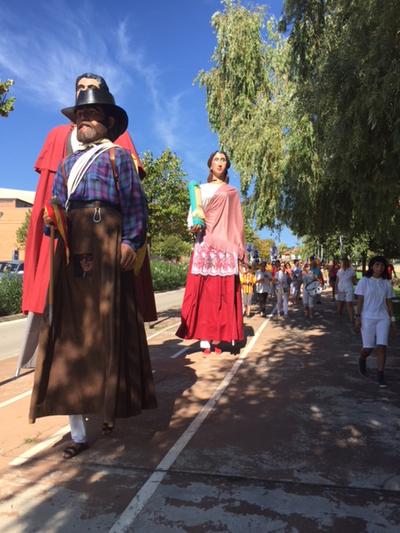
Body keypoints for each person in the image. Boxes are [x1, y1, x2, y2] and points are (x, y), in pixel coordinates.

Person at [29, 83, 157, 459]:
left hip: (107, 242)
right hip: (72, 249)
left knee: (107, 328)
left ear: (106, 121)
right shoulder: (68, 164)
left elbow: (136, 205)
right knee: (69, 333)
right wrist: (52, 221)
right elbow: (55, 205)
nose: (84, 120)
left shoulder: (118, 157)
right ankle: (78, 433)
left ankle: (108, 405)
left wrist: (131, 242)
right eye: (80, 115)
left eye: (91, 115)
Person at [176, 150, 245, 355]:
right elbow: (194, 214)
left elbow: (236, 223)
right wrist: (193, 226)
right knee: (204, 293)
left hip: (225, 247)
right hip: (204, 244)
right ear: (210, 165)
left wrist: (238, 250)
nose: (220, 162)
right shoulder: (200, 189)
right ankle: (205, 337)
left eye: (223, 160)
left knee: (221, 294)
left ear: (227, 166)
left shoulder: (232, 192)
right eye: (216, 159)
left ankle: (219, 335)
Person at [355, 256, 395, 388]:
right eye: (377, 265)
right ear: (372, 266)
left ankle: (380, 375)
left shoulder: (386, 283)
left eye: (382, 265)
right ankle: (362, 358)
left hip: (383, 317)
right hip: (367, 317)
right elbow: (360, 300)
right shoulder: (364, 282)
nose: (380, 268)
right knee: (368, 347)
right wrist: (357, 316)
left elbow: (389, 303)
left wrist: (392, 319)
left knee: (382, 346)